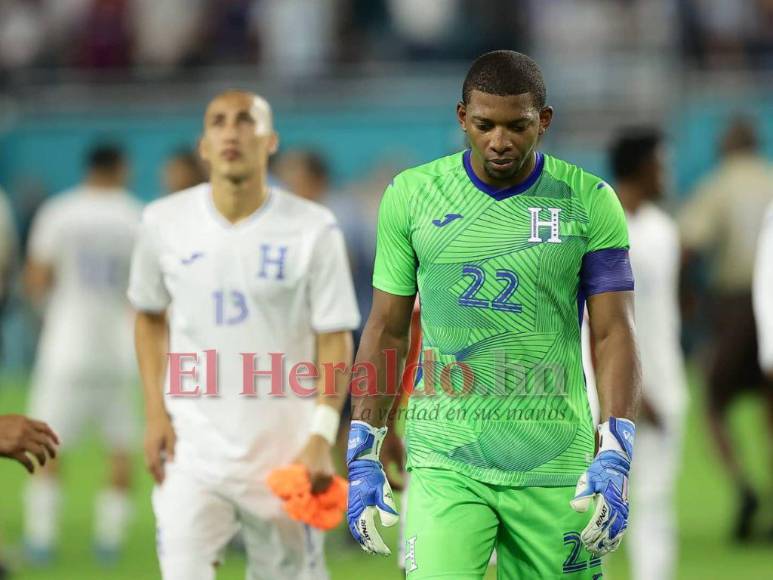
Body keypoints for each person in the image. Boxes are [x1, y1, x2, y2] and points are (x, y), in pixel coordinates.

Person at [346, 50, 641, 578]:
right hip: (445, 458)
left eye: (517, 125)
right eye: (484, 125)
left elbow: (613, 331)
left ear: (543, 121)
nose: (499, 141)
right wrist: (362, 443)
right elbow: (386, 329)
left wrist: (617, 446)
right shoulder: (411, 197)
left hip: (555, 462)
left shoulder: (590, 201)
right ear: (462, 117)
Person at [128, 90, 359, 580]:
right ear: (205, 145)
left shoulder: (314, 228)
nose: (232, 131)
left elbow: (335, 337)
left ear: (270, 140)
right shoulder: (162, 222)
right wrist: (154, 412)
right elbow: (149, 317)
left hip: (286, 455)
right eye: (218, 122)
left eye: (245, 121)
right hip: (191, 450)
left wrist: (322, 435)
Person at [23, 143, 142, 564]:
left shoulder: (59, 211)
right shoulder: (134, 215)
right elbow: (146, 292)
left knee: (45, 443)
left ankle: (41, 539)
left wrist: (51, 314)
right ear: (120, 166)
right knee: (121, 447)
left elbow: (36, 278)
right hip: (117, 349)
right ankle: (109, 542)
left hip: (66, 346)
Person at [679, 116, 773, 540]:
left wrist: (686, 299)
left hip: (738, 307)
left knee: (715, 403)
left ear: (726, 146)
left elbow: (688, 244)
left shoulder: (719, 186)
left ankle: (744, 485)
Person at [607, 129, 687, 580]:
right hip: (611, 392)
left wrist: (661, 387)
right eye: (661, 162)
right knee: (596, 505)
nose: (667, 172)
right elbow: (592, 323)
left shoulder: (663, 230)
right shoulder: (603, 226)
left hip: (666, 382)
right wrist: (633, 391)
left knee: (655, 501)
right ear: (640, 167)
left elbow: (662, 316)